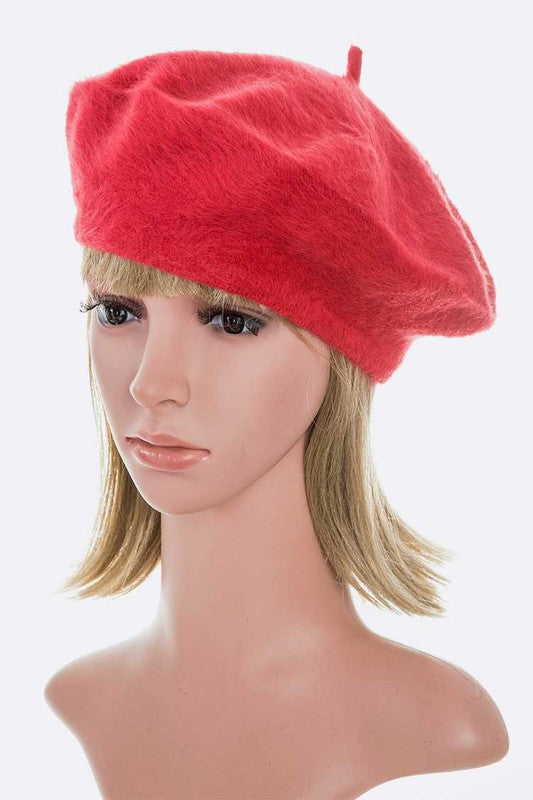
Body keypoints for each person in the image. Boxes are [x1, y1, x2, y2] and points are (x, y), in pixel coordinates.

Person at [45, 46, 509, 799]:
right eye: (118, 312)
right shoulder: (70, 697)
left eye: (231, 321)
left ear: (342, 362)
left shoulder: (437, 724)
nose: (150, 383)